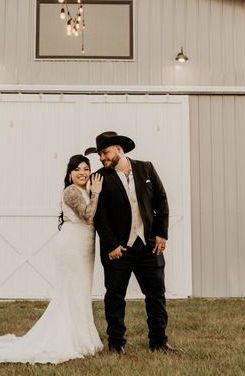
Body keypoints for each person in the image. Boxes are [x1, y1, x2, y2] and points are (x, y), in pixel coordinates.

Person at [0, 154, 104, 364]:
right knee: (70, 289)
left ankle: (82, 336)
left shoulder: (84, 191)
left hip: (85, 245)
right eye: (77, 169)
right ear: (70, 173)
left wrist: (92, 193)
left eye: (86, 169)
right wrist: (96, 193)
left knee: (80, 290)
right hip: (71, 246)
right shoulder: (71, 191)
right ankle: (68, 338)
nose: (83, 173)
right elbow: (88, 216)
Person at [90, 131, 179, 354]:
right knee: (115, 297)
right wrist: (111, 245)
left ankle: (159, 342)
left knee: (156, 295)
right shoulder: (99, 177)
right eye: (100, 154)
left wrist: (161, 234)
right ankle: (116, 344)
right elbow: (100, 215)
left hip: (149, 245)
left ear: (119, 149)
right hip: (118, 249)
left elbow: (161, 201)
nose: (102, 157)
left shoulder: (146, 168)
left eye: (105, 152)